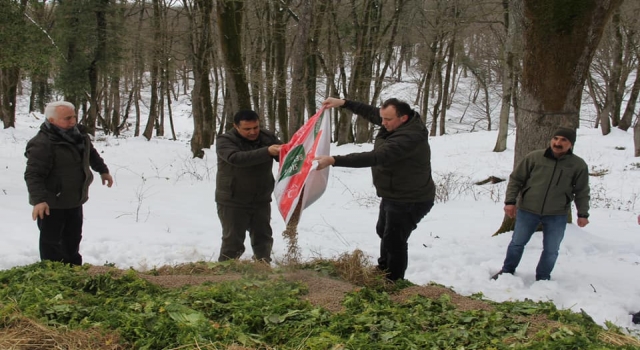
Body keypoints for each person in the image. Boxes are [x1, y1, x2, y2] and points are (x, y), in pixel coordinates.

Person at [315, 97, 436, 281]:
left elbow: (376, 156)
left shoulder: (409, 137)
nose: (383, 122)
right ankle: (383, 269)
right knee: (383, 231)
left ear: (403, 118)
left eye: (387, 119)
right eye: (383, 118)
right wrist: (344, 103)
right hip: (393, 193)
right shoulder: (394, 124)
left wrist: (334, 160)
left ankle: (393, 281)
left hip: (411, 198)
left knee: (394, 240)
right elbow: (371, 112)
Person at [492, 127, 590, 281]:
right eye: (556, 138)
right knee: (517, 243)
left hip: (557, 214)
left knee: (551, 249)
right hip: (528, 210)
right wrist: (510, 202)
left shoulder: (578, 165)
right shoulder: (535, 157)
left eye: (564, 140)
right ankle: (507, 271)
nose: (558, 142)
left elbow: (582, 191)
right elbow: (516, 179)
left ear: (571, 144)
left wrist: (583, 214)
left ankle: (543, 278)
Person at [24, 101, 113, 266]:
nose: (73, 121)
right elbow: (33, 174)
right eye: (67, 118)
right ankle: (52, 276)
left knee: (73, 238)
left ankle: (74, 271)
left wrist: (103, 170)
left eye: (74, 117)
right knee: (52, 243)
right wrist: (39, 201)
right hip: (51, 204)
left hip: (74, 198)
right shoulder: (43, 144)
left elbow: (90, 154)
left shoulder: (79, 135)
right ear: (52, 120)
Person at [215, 110, 283, 263]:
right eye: (247, 129)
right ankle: (225, 273)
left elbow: (282, 154)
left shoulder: (267, 137)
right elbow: (236, 158)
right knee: (233, 241)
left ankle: (263, 267)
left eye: (256, 127)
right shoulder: (225, 140)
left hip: (261, 198)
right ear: (236, 127)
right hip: (232, 199)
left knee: (263, 238)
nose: (253, 132)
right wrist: (267, 151)